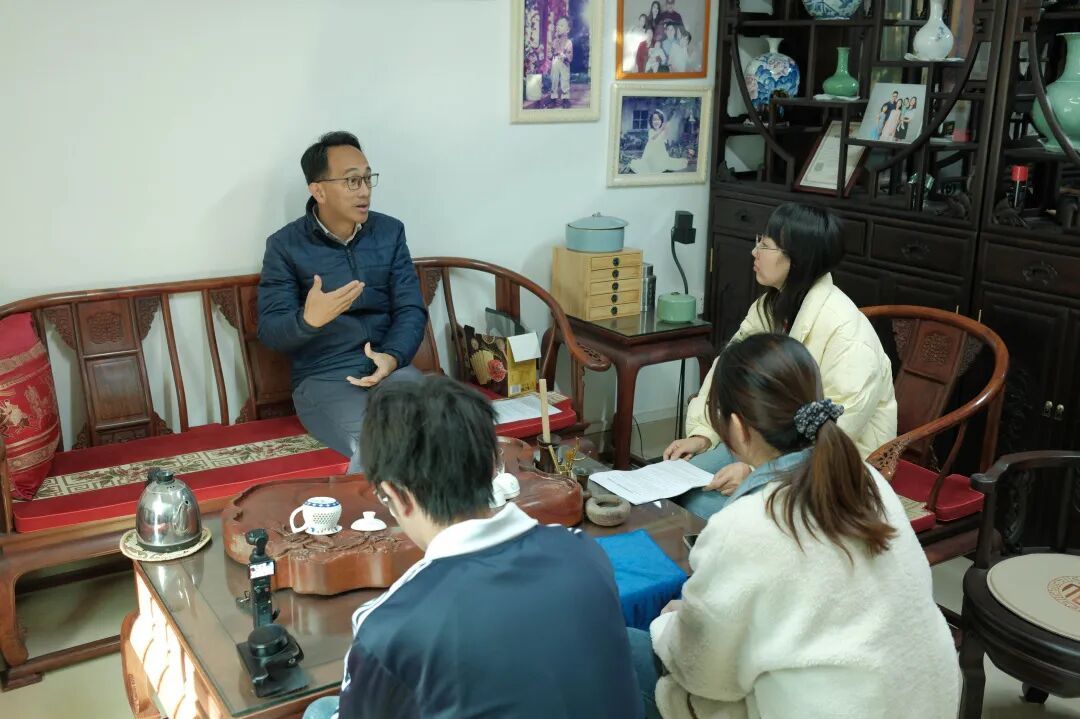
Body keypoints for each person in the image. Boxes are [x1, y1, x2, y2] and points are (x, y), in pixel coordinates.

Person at [631, 334, 960, 719]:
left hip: (842, 707)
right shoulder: (868, 480)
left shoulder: (746, 524)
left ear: (736, 428)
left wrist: (671, 624)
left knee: (626, 649)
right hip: (927, 698)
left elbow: (702, 672)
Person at [302, 376, 642, 719]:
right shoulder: (583, 551)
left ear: (396, 495)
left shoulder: (388, 626)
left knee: (321, 710)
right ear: (492, 467)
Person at [663, 203, 896, 519]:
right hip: (765, 444)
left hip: (830, 465)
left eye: (765, 245)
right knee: (675, 488)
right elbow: (728, 371)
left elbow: (838, 432)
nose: (754, 252)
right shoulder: (771, 307)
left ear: (797, 259)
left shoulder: (847, 334)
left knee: (701, 506)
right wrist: (703, 434)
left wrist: (754, 471)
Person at [257, 131, 427, 474]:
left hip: (391, 371)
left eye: (367, 178)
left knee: (443, 427)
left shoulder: (390, 232)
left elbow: (410, 308)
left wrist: (392, 356)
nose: (364, 191)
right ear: (318, 190)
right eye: (352, 181)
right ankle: (373, 513)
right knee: (378, 445)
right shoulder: (285, 246)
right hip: (324, 379)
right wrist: (308, 320)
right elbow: (271, 331)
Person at [548, 16, 574, 108]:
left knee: (565, 79)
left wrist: (564, 55)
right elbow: (551, 52)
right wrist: (550, 54)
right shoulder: (555, 41)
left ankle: (565, 98)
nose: (558, 27)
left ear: (567, 30)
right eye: (557, 25)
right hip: (555, 61)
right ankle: (553, 98)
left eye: (561, 25)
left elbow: (569, 56)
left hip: (564, 62)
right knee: (554, 79)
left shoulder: (568, 42)